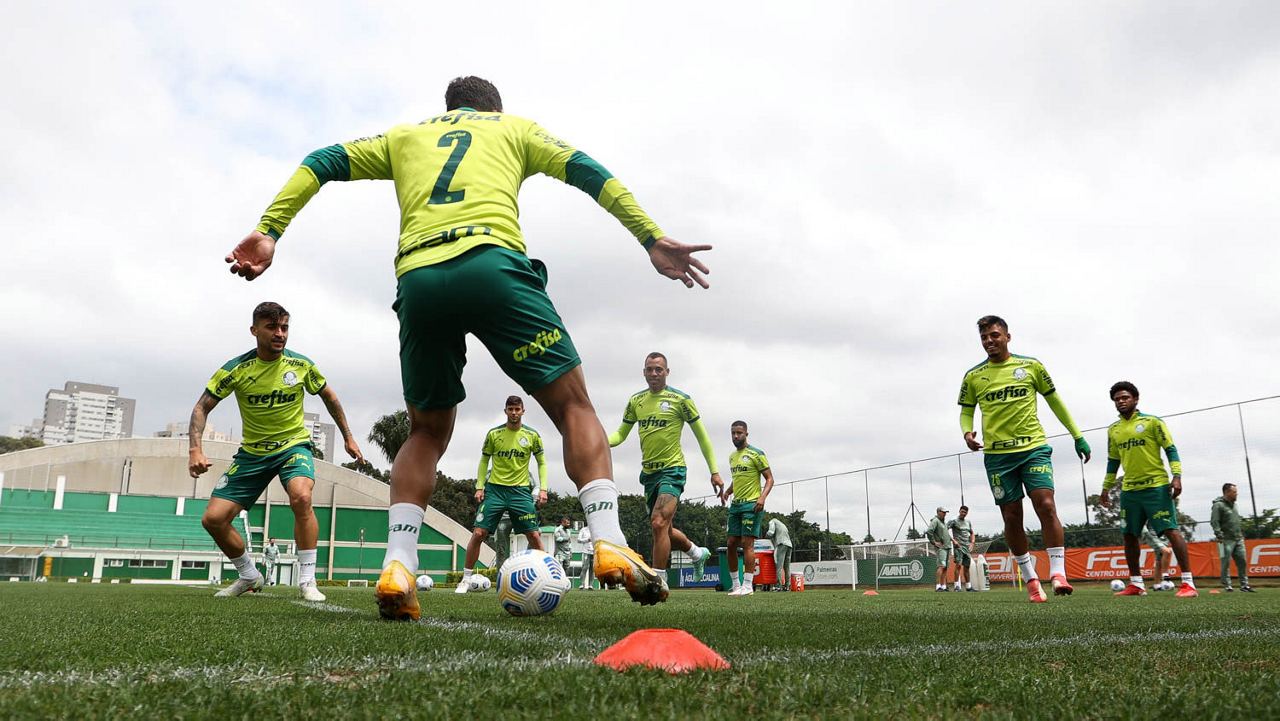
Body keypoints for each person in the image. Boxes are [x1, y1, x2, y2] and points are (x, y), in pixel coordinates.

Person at [227, 77, 711, 618]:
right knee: (573, 407)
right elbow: (588, 171)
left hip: (420, 280)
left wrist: (269, 230)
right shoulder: (514, 129)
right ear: (493, 110)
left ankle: (399, 563)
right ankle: (607, 537)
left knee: (426, 432)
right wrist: (649, 236)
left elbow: (320, 161)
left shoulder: (404, 136)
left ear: (449, 108)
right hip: (494, 267)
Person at [188, 302, 364, 601]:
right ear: (254, 330)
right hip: (252, 454)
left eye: (284, 328)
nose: (280, 334)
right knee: (213, 520)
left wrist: (349, 437)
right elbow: (201, 407)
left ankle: (307, 581)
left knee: (302, 496)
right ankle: (248, 575)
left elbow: (329, 397)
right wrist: (195, 449)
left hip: (293, 447)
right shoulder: (235, 369)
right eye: (272, 327)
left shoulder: (301, 365)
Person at [958, 315, 1090, 603]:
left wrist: (1077, 436)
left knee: (1046, 505)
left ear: (1007, 336)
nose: (989, 341)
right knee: (1011, 517)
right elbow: (966, 410)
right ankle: (1031, 580)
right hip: (997, 457)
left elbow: (1054, 400)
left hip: (1033, 449)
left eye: (994, 335)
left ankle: (1058, 574)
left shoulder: (1031, 366)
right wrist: (967, 432)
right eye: (984, 337)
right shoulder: (973, 376)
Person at [609, 352, 720, 582]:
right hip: (649, 474)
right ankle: (697, 553)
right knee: (664, 529)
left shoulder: (681, 400)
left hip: (673, 470)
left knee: (658, 522)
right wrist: (598, 441)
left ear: (667, 372)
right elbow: (620, 435)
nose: (654, 373)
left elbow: (703, 437)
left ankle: (657, 581)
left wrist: (714, 471)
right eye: (650, 369)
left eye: (658, 369)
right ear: (644, 372)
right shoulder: (636, 401)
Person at [1099, 382, 1197, 598]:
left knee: (1171, 531)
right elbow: (1113, 461)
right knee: (1129, 535)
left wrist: (1177, 476)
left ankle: (1188, 584)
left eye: (1125, 397)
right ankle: (1136, 584)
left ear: (1135, 399)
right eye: (1117, 399)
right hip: (1130, 491)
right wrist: (1106, 487)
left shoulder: (1153, 422)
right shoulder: (1113, 429)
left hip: (1156, 487)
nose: (1121, 401)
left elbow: (1170, 449)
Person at [458, 395, 547, 594]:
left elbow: (541, 462)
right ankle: (465, 579)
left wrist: (543, 488)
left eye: (517, 409)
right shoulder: (494, 434)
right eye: (510, 409)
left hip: (520, 492)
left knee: (533, 534)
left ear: (523, 411)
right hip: (495, 491)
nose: (514, 413)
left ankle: (549, 577)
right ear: (505, 411)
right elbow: (484, 461)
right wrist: (479, 487)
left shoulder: (532, 435)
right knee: (478, 533)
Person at [720, 421, 774, 597]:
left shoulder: (756, 454)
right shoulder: (732, 457)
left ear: (746, 434)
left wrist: (762, 497)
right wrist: (727, 492)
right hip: (736, 505)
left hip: (752, 505)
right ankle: (736, 585)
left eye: (739, 433)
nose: (736, 436)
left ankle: (748, 585)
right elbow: (737, 480)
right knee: (730, 544)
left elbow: (770, 478)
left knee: (746, 543)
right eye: (733, 433)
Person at [1211, 484, 1253, 592]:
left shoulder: (1235, 505)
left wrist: (1240, 534)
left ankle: (1244, 585)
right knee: (1225, 563)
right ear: (1226, 492)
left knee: (1242, 561)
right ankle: (1227, 585)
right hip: (1224, 540)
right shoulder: (1218, 505)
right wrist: (1219, 535)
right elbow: (1214, 522)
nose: (1236, 494)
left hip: (1238, 539)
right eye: (1234, 492)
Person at [948, 506, 977, 592]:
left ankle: (968, 586)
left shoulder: (968, 522)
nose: (963, 513)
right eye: (962, 511)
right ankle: (956, 586)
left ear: (967, 513)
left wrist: (972, 543)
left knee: (967, 566)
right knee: (958, 565)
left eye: (965, 512)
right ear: (959, 511)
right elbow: (945, 530)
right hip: (958, 546)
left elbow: (972, 533)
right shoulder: (954, 520)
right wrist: (953, 540)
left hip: (967, 547)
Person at [924, 507, 953, 592]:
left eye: (945, 512)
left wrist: (953, 541)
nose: (945, 514)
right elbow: (929, 531)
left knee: (945, 567)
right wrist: (934, 542)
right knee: (941, 566)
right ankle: (938, 586)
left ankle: (944, 586)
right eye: (943, 512)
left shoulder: (943, 522)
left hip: (947, 547)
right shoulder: (935, 520)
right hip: (941, 548)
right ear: (938, 512)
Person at [766, 516, 793, 592]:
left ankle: (778, 586)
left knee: (779, 566)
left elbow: (770, 532)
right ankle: (787, 586)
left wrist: (766, 536)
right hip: (789, 545)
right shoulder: (783, 525)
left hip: (781, 544)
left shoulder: (772, 521)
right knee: (787, 567)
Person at [578, 523, 595, 590]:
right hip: (586, 551)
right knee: (585, 567)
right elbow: (579, 540)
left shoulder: (595, 530)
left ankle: (590, 585)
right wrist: (587, 540)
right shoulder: (583, 530)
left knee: (592, 569)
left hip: (594, 551)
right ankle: (581, 584)